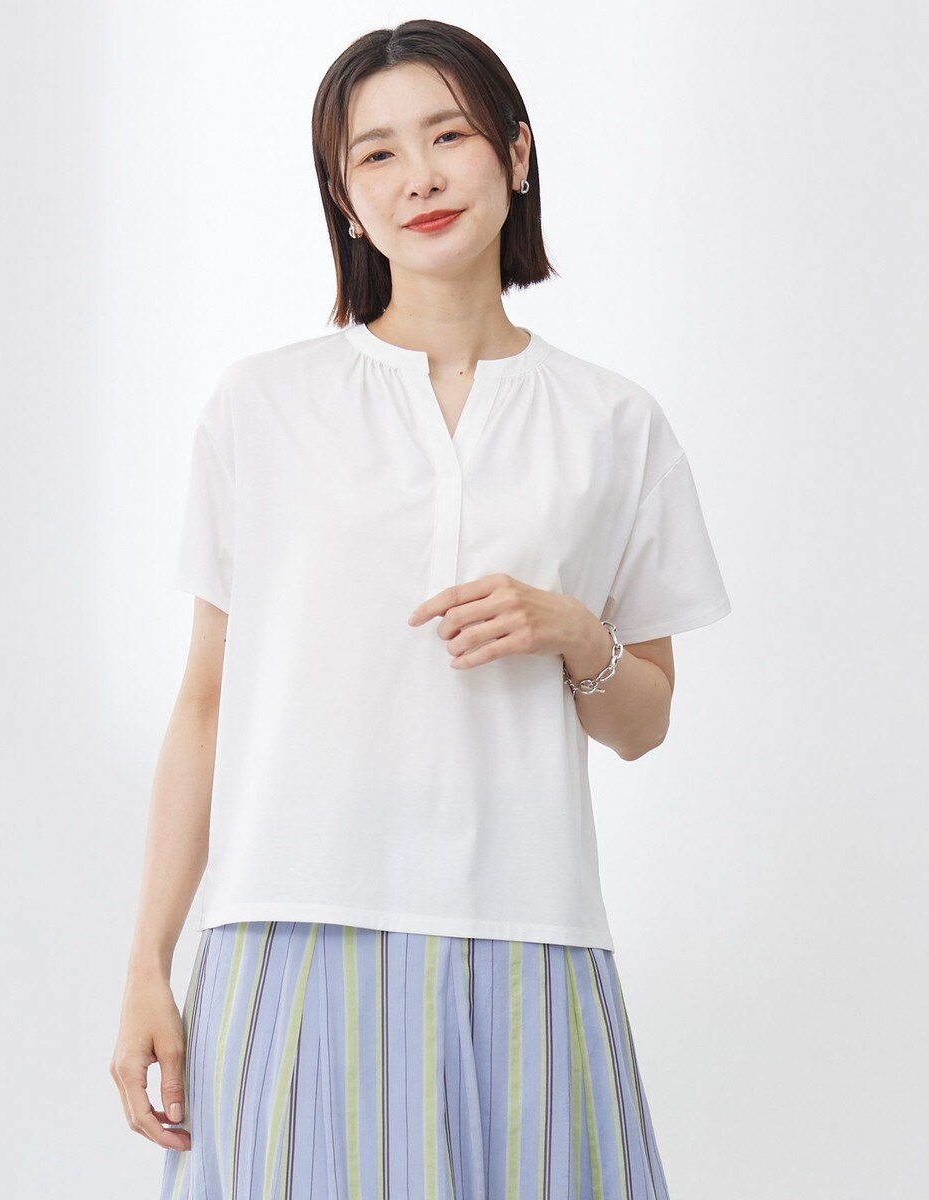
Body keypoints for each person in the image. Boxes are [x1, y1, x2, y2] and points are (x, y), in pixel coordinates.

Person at [110, 18, 731, 1199]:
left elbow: (644, 721)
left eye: (448, 136)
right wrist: (147, 965)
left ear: (516, 154)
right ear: (345, 200)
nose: (419, 177)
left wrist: (575, 633)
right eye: (377, 154)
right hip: (289, 931)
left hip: (531, 937)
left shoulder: (613, 423)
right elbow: (205, 703)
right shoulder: (262, 407)